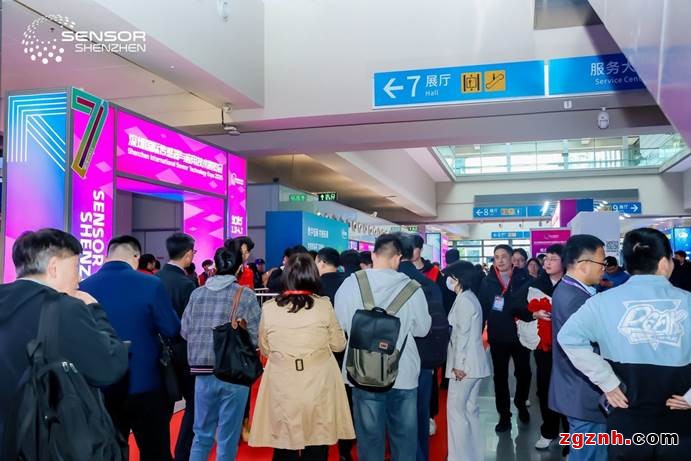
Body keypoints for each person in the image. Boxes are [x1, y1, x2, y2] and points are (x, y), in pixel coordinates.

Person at [559, 228, 691, 460]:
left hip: (626, 417)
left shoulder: (600, 303)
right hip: (678, 419)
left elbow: (568, 338)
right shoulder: (687, 301)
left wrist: (608, 382)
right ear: (664, 263)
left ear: (627, 265)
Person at [0, 229, 129, 444]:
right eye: (75, 267)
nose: (78, 279)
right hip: (42, 438)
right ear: (54, 268)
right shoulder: (63, 308)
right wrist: (95, 309)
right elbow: (109, 367)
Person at [80, 235, 181, 461]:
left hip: (101, 387)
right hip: (146, 382)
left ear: (107, 256)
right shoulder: (151, 284)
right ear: (136, 257)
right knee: (155, 452)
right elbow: (171, 328)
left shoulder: (83, 287)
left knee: (110, 453)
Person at [335, 234, 431, 461]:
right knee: (404, 440)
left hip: (362, 372)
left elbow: (340, 324)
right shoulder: (412, 288)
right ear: (398, 258)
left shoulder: (351, 283)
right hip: (403, 374)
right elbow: (422, 329)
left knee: (369, 440)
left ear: (373, 255)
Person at [250, 253, 355, 460]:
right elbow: (339, 344)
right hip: (318, 382)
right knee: (317, 438)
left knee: (284, 442)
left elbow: (265, 348)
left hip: (282, 383)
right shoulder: (323, 305)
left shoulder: (270, 308)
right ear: (313, 276)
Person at [181, 245, 262, 461]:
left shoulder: (197, 294)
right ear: (239, 268)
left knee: (201, 435)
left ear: (215, 266)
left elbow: (185, 331)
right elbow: (256, 336)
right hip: (234, 372)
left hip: (202, 372)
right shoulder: (245, 295)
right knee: (227, 437)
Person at [549, 234, 607, 461]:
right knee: (589, 454)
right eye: (601, 262)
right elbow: (588, 347)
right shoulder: (575, 298)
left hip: (576, 388)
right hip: (584, 390)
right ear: (583, 264)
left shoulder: (570, 289)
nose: (604, 267)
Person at [396, 233, 448, 461]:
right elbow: (438, 325)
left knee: (397, 421)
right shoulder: (428, 283)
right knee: (419, 417)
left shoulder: (389, 283)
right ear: (413, 252)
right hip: (424, 360)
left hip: (391, 361)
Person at [478, 244, 532, 432]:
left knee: (524, 374)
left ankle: (520, 403)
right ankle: (504, 416)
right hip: (498, 336)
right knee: (500, 378)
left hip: (520, 335)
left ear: (511, 259)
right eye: (496, 257)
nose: (500, 260)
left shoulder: (524, 279)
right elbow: (483, 309)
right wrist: (478, 334)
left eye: (503, 256)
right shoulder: (488, 281)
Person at [520, 244, 569, 451]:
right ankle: (548, 431)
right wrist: (533, 314)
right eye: (546, 258)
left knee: (568, 390)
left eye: (553, 259)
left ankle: (569, 435)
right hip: (544, 347)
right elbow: (516, 307)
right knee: (545, 388)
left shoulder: (572, 284)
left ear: (565, 262)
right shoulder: (535, 284)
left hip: (569, 348)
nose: (547, 262)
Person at [156, 232, 199, 461]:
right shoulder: (187, 284)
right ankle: (183, 452)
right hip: (183, 351)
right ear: (189, 254)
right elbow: (192, 323)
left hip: (159, 352)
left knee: (163, 407)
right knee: (193, 403)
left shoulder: (155, 279)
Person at [443, 261, 489, 461]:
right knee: (470, 411)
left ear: (458, 278)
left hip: (465, 367)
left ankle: (458, 457)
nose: (447, 280)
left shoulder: (464, 301)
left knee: (456, 413)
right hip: (475, 365)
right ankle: (473, 455)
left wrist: (458, 365)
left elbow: (461, 335)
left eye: (450, 276)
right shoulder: (469, 297)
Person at [315, 246, 352, 460]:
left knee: (323, 401)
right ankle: (345, 450)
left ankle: (322, 442)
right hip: (346, 347)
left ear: (321, 261)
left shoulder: (316, 286)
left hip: (322, 351)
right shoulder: (349, 283)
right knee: (346, 400)